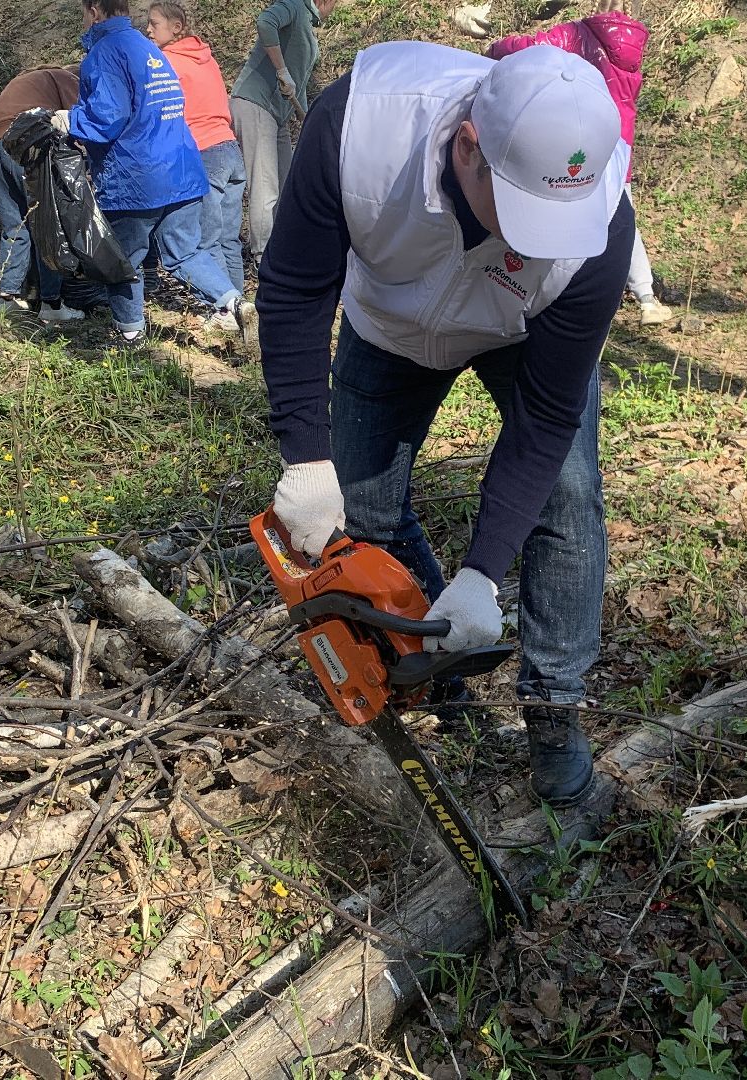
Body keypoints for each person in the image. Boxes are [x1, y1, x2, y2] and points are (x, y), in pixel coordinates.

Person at [257, 42, 634, 805]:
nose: (535, 240)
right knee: (361, 515)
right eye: (525, 212)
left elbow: (549, 416)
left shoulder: (598, 229)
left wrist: (482, 573)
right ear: (469, 146)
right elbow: (296, 288)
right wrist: (305, 454)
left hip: (522, 329)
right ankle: (438, 671)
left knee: (567, 492)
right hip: (390, 323)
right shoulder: (360, 131)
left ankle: (554, 710)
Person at [459, 0, 671, 326]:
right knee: (618, 216)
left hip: (567, 139)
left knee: (549, 204)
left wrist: (496, 47)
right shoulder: (634, 47)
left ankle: (546, 284)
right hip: (614, 145)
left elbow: (534, 49)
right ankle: (643, 295)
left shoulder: (580, 33)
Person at [54, 0, 248, 347]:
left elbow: (108, 117)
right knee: (185, 253)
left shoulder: (105, 52)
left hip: (136, 177)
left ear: (95, 11)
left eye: (84, 13)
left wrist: (70, 120)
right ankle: (233, 302)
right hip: (184, 170)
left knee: (125, 260)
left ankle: (130, 336)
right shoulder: (150, 49)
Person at [146, 2, 245, 293]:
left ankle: (227, 308)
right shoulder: (206, 57)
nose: (148, 30)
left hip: (203, 153)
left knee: (208, 239)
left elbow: (158, 111)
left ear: (176, 27)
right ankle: (241, 304)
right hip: (230, 149)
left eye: (154, 24)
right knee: (229, 238)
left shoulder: (165, 62)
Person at [227, 0, 334, 263]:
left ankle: (283, 247)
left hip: (279, 115)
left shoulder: (308, 28)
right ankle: (263, 256)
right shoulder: (295, 6)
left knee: (288, 184)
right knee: (265, 186)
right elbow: (266, 22)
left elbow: (298, 83)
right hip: (255, 104)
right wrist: (281, 69)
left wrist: (307, 120)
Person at [0, 65, 85, 322]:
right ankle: (51, 304)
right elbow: (80, 123)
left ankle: (6, 298)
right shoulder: (68, 78)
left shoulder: (30, 79)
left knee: (15, 223)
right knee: (46, 221)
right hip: (24, 137)